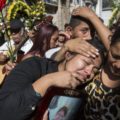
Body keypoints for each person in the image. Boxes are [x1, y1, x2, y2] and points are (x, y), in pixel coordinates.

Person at [0, 43, 102, 120]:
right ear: (68, 55)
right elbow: (4, 113)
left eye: (94, 70)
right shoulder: (35, 66)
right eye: (86, 62)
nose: (88, 72)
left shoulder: (81, 94)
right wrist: (48, 81)